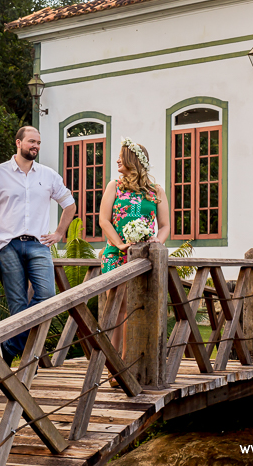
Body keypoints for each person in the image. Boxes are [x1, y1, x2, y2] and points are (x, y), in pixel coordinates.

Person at [0, 126, 77, 365]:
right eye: (32, 141)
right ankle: (27, 365)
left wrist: (60, 233)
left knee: (48, 297)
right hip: (8, 245)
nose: (36, 146)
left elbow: (69, 205)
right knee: (18, 305)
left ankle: (8, 347)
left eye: (39, 143)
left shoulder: (48, 175)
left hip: (39, 245)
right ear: (18, 143)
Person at [98, 137, 171, 357]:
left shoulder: (155, 190)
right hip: (116, 254)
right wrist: (120, 244)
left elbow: (166, 225)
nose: (117, 160)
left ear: (134, 160)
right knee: (118, 307)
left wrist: (158, 241)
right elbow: (104, 220)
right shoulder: (115, 186)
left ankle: (129, 359)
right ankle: (114, 363)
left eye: (122, 156)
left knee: (136, 306)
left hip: (143, 258)